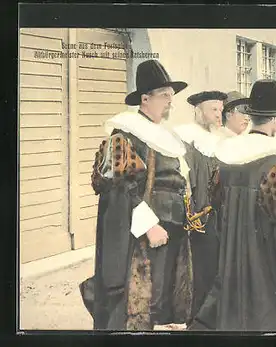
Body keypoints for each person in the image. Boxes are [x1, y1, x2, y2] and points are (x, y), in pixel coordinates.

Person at [190, 79, 276, 331]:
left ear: (251, 116)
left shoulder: (227, 161)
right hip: (269, 277)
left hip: (232, 271)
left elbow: (218, 217)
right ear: (275, 120)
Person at [79, 59, 194, 330]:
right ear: (145, 98)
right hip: (142, 236)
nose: (170, 102)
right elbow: (121, 187)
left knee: (160, 305)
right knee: (135, 307)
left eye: (171, 96)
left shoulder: (163, 134)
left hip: (171, 232)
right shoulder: (125, 134)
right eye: (165, 96)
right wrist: (149, 225)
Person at [173, 90, 228, 323]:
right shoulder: (187, 138)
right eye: (213, 109)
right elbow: (186, 181)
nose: (219, 114)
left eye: (221, 110)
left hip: (217, 215)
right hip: (198, 217)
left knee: (216, 271)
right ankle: (196, 324)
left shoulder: (218, 138)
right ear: (198, 110)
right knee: (200, 274)